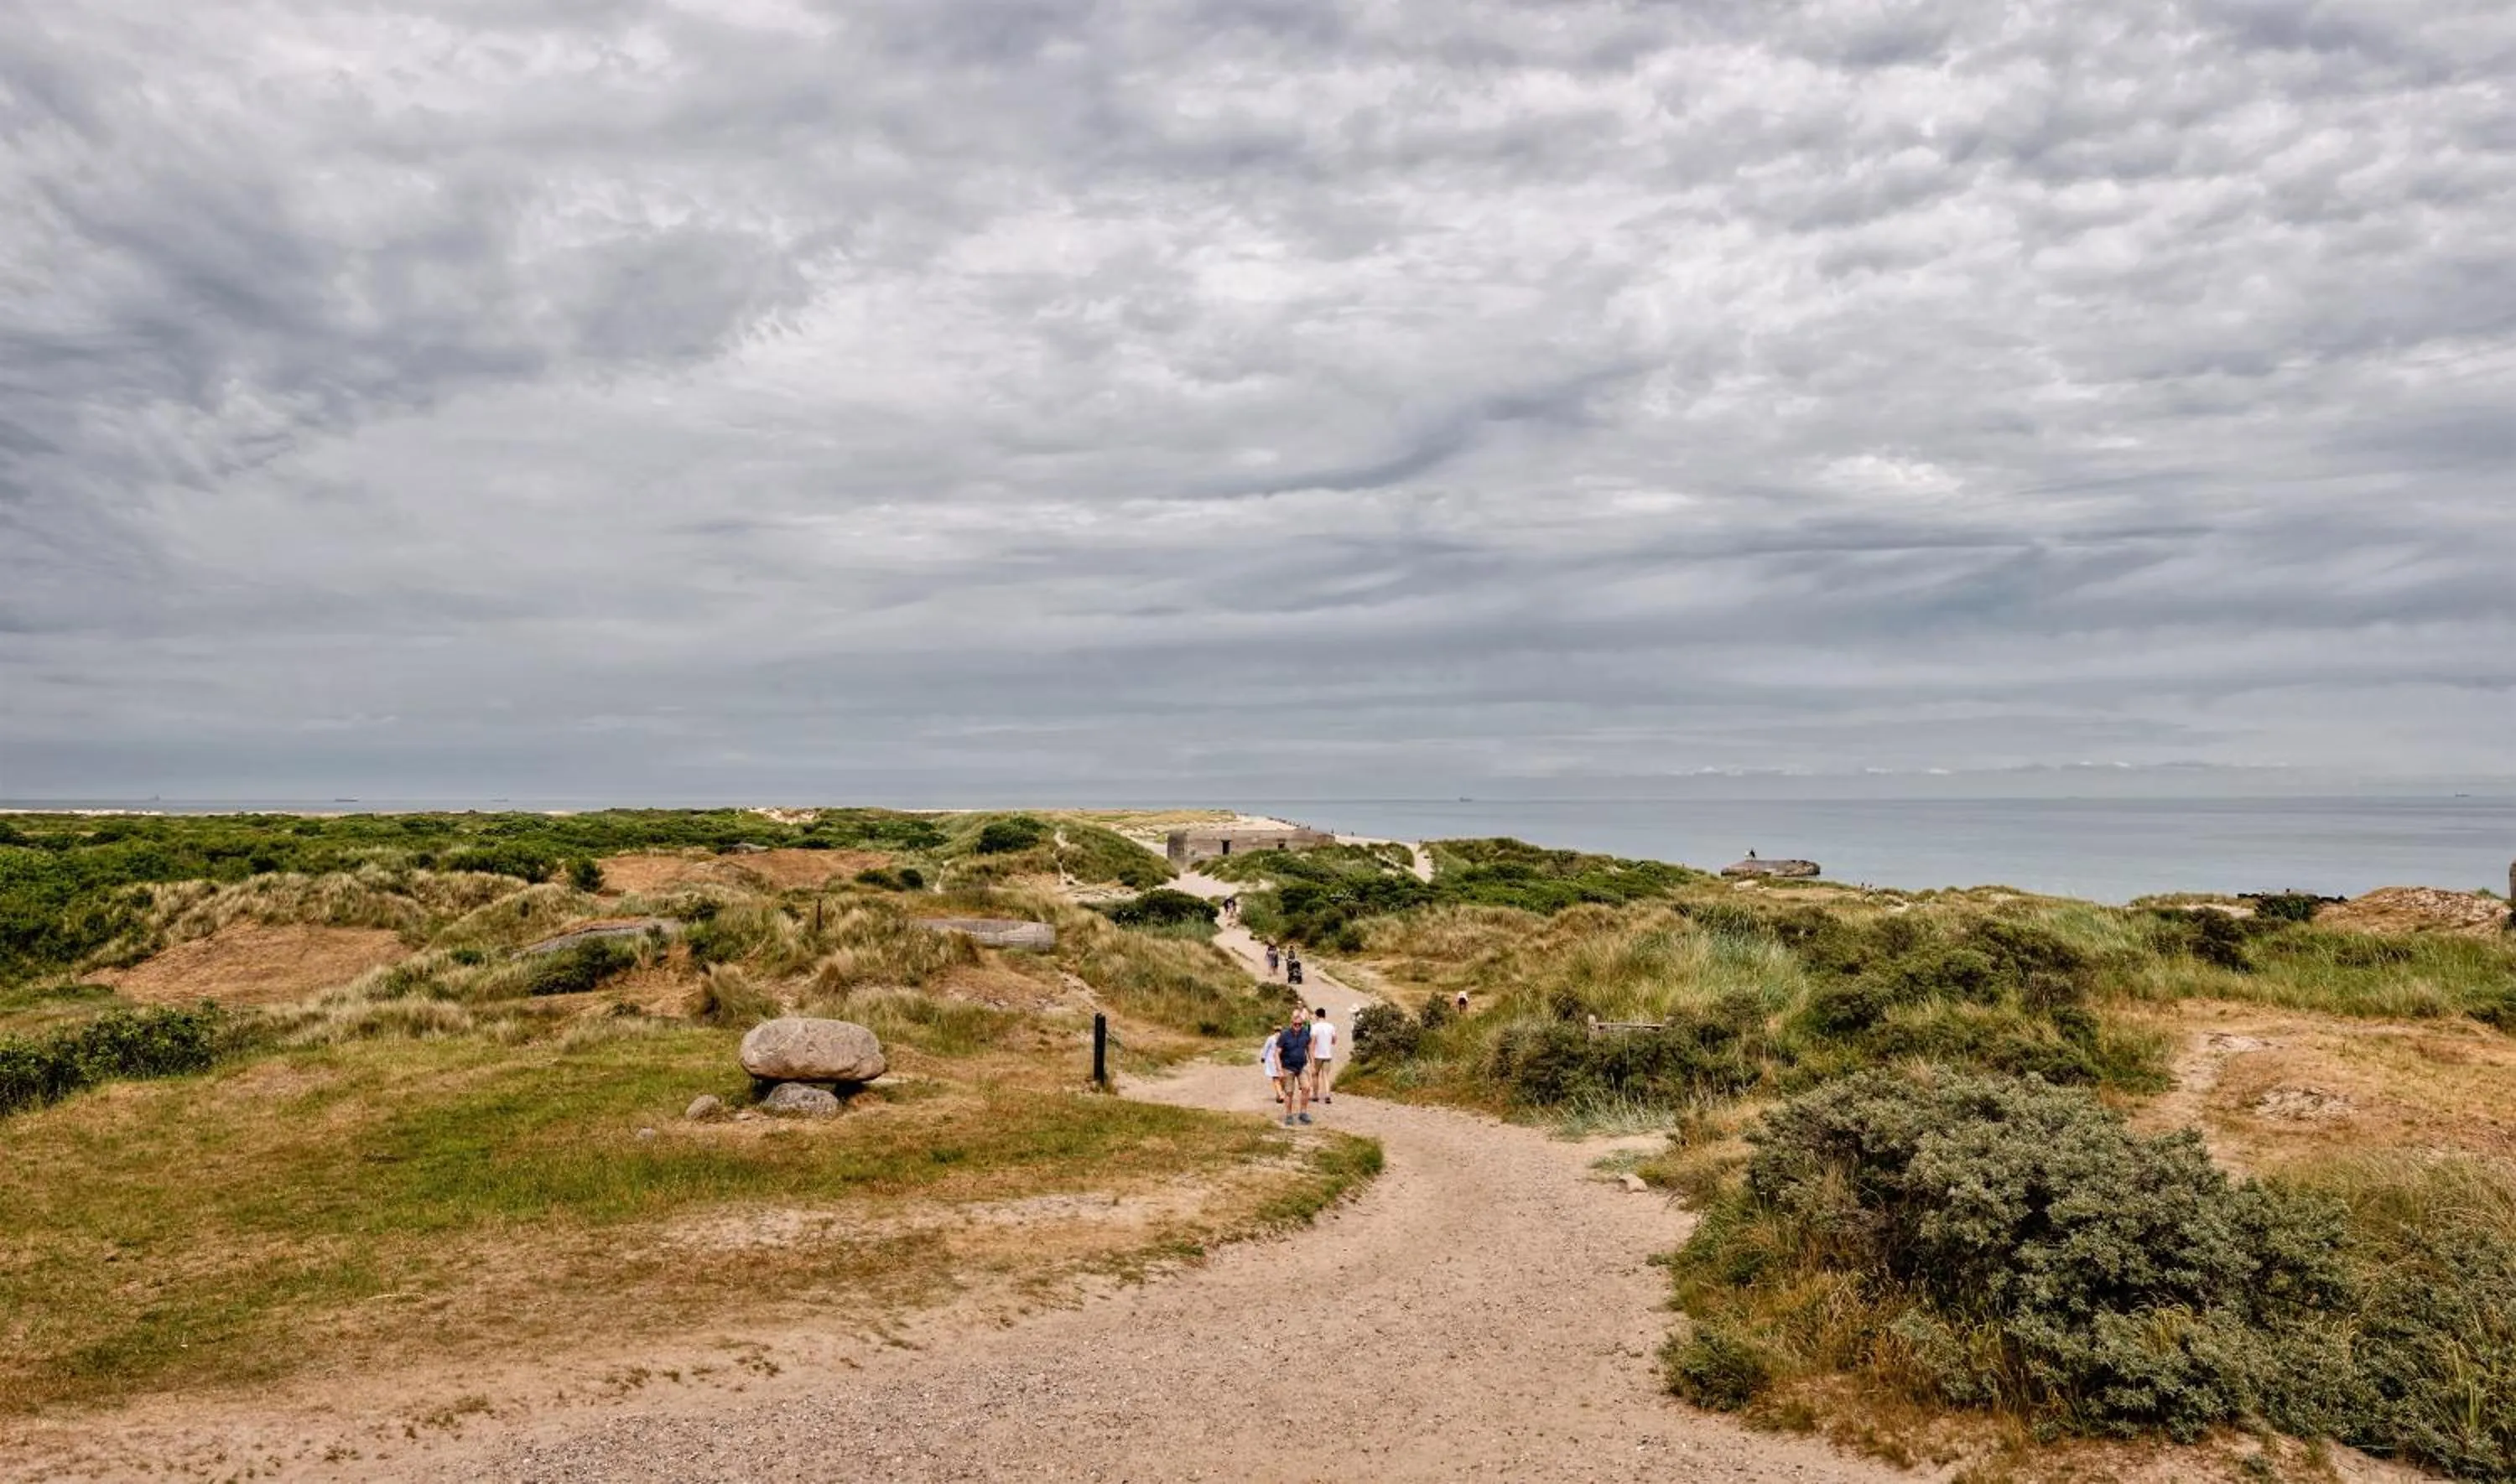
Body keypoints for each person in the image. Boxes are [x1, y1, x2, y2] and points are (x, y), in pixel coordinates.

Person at [1275, 1011, 1313, 1125]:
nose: (1297, 1026)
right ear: (1291, 1023)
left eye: (1300, 1024)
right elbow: (1276, 1053)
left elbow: (1309, 1049)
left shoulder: (1306, 1033)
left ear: (1303, 1024)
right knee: (1289, 1092)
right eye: (1295, 1024)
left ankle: (1303, 1113)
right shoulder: (1284, 1035)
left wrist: (1313, 1064)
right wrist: (1279, 1070)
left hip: (1301, 1066)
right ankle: (1288, 1115)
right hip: (1288, 1067)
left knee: (1306, 1088)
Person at [1307, 1006, 1337, 1105]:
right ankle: (1327, 1095)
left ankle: (1315, 1095)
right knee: (1326, 1076)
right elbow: (1334, 1041)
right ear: (1324, 1015)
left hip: (1318, 1055)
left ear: (1317, 1015)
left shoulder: (1315, 1027)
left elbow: (1313, 1043)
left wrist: (1310, 1054)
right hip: (1327, 1054)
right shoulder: (1331, 1026)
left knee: (1315, 1075)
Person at [1260, 1025, 1286, 1105]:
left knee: (1275, 1079)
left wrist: (1263, 1057)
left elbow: (1266, 1048)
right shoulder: (1284, 1038)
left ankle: (1280, 1095)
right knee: (1281, 1078)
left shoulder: (1270, 1038)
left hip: (1272, 1061)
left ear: (1274, 1031)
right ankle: (1279, 1094)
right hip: (1282, 1060)